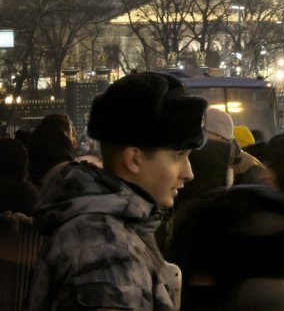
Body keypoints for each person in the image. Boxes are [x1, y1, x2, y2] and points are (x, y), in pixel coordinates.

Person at [27, 72, 207, 310]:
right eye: (177, 156)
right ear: (134, 159)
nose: (188, 173)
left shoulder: (105, 229)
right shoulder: (109, 257)